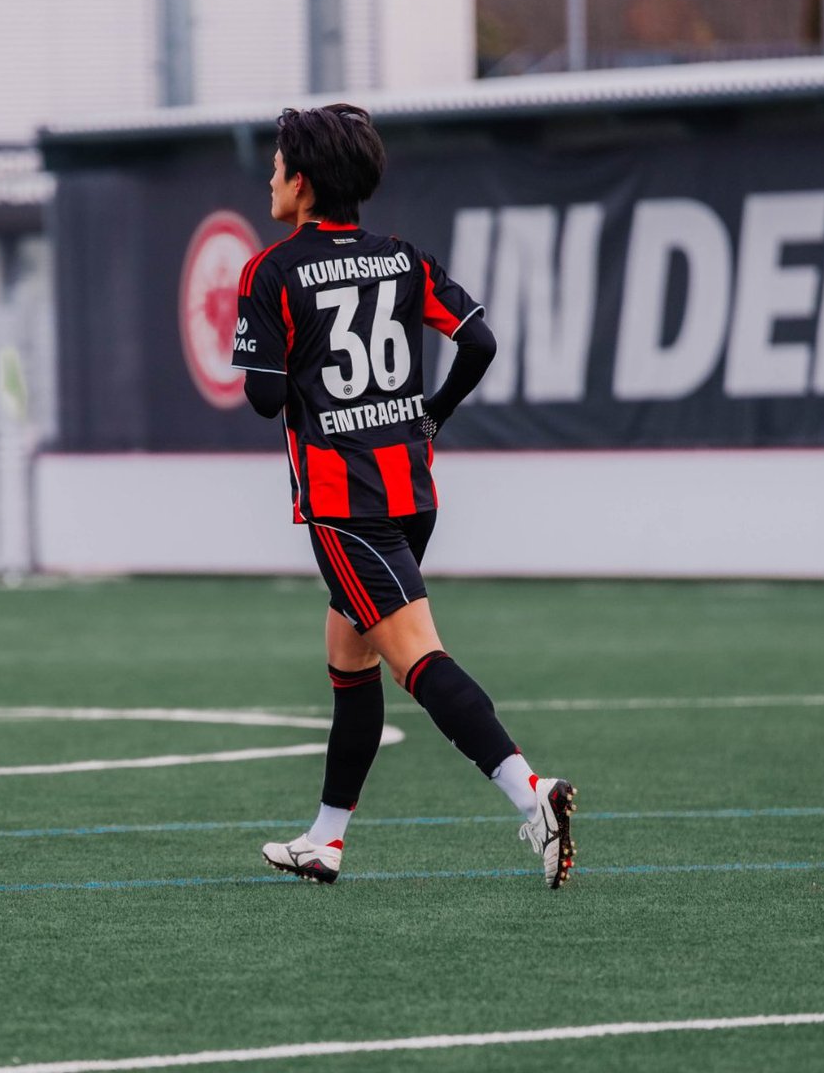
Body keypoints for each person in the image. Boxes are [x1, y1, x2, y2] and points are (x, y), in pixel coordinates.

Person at [231, 104, 576, 888]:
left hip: (343, 506)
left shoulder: (271, 272)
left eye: (279, 164)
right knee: (349, 661)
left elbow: (261, 399)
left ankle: (533, 794)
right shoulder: (403, 260)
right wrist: (431, 415)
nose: (271, 176)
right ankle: (325, 839)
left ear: (304, 182)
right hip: (410, 492)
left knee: (416, 657)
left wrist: (274, 351)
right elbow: (479, 340)